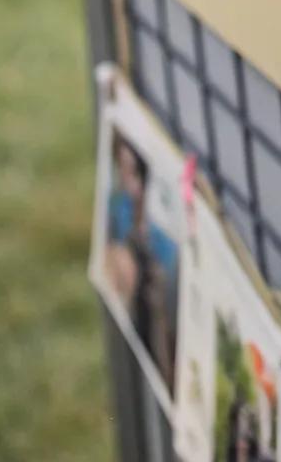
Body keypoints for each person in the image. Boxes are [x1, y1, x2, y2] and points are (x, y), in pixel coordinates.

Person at [105, 134, 179, 393]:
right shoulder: (120, 207)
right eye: (124, 172)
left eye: (136, 173)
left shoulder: (164, 223)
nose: (131, 184)